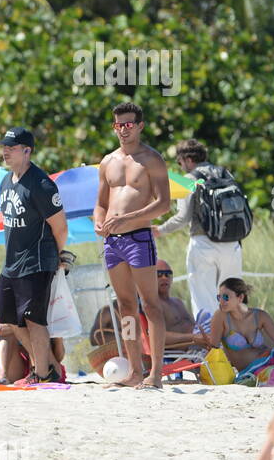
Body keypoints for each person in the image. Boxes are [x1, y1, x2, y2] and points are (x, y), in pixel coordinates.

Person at [94, 101, 172, 389]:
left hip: (139, 238)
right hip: (113, 242)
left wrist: (129, 218)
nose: (123, 130)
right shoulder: (107, 161)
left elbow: (163, 204)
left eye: (128, 124)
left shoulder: (152, 159)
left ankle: (156, 373)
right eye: (118, 125)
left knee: (151, 305)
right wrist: (98, 221)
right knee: (126, 306)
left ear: (140, 126)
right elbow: (101, 203)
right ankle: (135, 371)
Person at [0, 127, 68, 385]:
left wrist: (57, 255)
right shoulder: (5, 181)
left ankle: (41, 374)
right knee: (10, 319)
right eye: (4, 146)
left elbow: (60, 227)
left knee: (34, 320)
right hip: (11, 263)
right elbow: (5, 221)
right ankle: (50, 366)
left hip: (37, 260)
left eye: (12, 147)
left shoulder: (41, 184)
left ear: (27, 151)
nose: (5, 151)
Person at [154, 139, 244, 319]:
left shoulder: (190, 179)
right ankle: (235, 343)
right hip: (232, 244)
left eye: (180, 162)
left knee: (204, 300)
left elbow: (183, 217)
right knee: (232, 299)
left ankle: (209, 344)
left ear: (187, 159)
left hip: (203, 244)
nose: (181, 167)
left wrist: (160, 230)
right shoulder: (226, 174)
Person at [196, 277, 274, 379]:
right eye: (219, 297)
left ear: (240, 297)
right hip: (252, 371)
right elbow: (214, 349)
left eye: (226, 297)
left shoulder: (259, 316)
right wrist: (204, 342)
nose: (221, 301)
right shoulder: (220, 316)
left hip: (271, 356)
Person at [90, 259, 198, 352]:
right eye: (159, 274)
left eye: (168, 274)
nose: (164, 278)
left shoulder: (176, 302)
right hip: (173, 349)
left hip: (194, 344)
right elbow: (94, 338)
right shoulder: (110, 311)